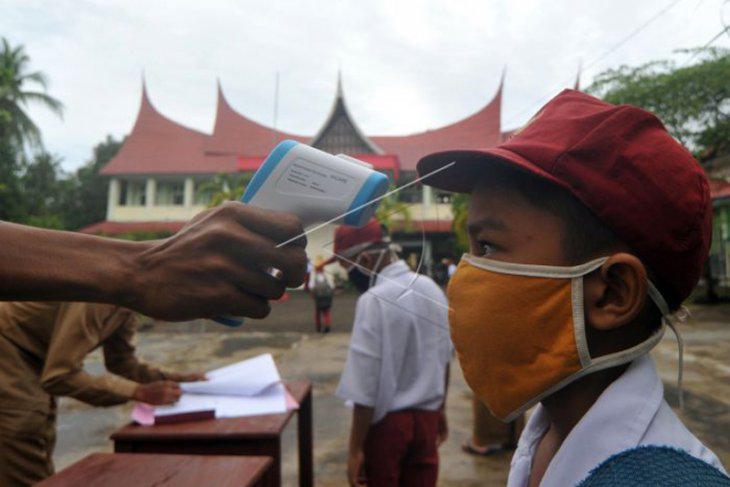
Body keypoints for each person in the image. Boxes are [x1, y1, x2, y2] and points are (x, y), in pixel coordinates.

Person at [416, 89, 727, 486]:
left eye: (488, 247)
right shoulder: (550, 428)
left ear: (612, 292)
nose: (464, 276)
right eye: (470, 250)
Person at [0, 301, 205, 487]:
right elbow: (60, 376)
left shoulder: (126, 305)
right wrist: (138, 392)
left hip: (34, 354)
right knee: (23, 428)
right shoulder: (95, 300)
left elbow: (122, 362)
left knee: (39, 435)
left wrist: (175, 377)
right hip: (8, 345)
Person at [0, 202, 307, 321]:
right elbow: (61, 373)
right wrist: (141, 269)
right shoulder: (92, 304)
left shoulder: (116, 299)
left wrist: (170, 381)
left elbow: (120, 361)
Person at [334, 219, 453, 487]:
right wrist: (441, 408)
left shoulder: (373, 300)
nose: (349, 277)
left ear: (364, 259)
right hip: (427, 419)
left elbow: (365, 383)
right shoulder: (431, 288)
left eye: (347, 267)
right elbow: (445, 358)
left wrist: (355, 449)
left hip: (387, 427)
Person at [305, 255, 335, 333]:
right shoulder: (326, 274)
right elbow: (332, 286)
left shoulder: (314, 275)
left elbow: (311, 286)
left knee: (318, 313)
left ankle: (318, 327)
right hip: (327, 296)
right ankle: (327, 326)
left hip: (318, 296)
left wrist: (312, 294)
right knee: (326, 312)